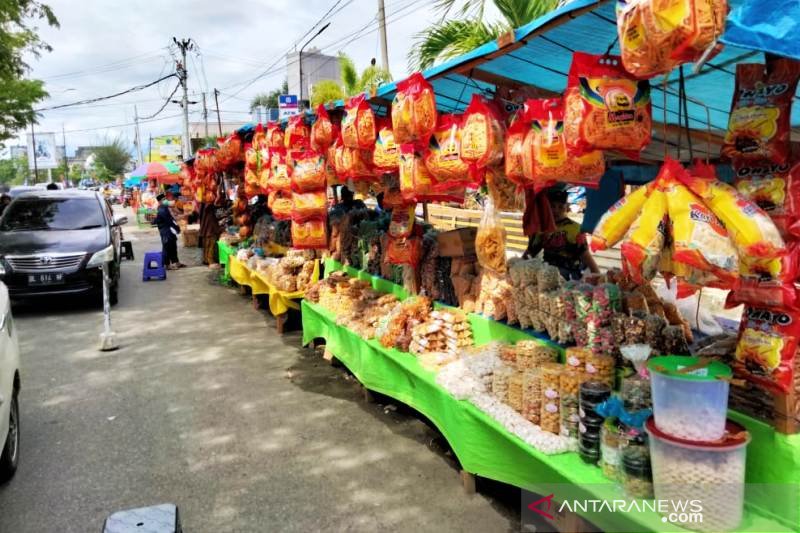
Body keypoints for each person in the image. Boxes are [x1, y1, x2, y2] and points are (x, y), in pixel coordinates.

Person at [523, 187, 599, 280]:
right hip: (547, 275)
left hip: (571, 277)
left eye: (560, 207)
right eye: (552, 206)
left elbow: (585, 256)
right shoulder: (542, 228)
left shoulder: (575, 228)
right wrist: (517, 266)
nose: (556, 211)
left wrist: (597, 275)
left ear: (566, 207)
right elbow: (531, 252)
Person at [153, 193, 185, 270]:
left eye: (165, 199)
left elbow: (172, 218)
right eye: (163, 200)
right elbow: (169, 221)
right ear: (160, 202)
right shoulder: (161, 210)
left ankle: (176, 262)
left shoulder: (165, 208)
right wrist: (177, 228)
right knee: (167, 247)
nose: (166, 201)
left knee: (173, 246)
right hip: (165, 231)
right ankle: (167, 265)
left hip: (170, 230)